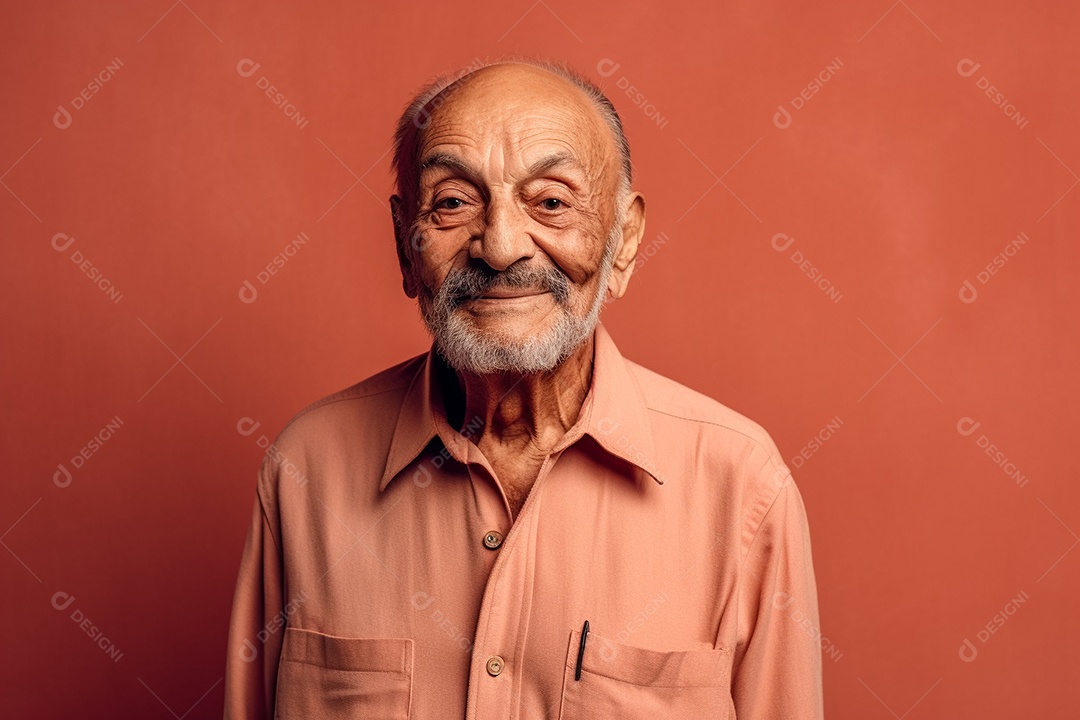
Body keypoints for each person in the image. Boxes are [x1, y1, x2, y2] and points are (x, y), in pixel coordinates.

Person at [223, 58, 823, 719]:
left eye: (552, 202)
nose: (502, 247)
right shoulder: (306, 469)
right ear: (404, 243)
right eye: (453, 202)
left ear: (623, 243)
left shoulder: (740, 488)